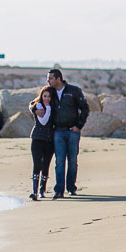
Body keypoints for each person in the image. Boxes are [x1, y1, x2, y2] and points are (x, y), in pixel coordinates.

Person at [46, 68, 88, 198]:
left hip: (72, 131)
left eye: (50, 78)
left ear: (58, 79)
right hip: (58, 131)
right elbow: (37, 102)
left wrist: (79, 126)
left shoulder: (74, 91)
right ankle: (59, 190)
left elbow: (85, 108)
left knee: (72, 161)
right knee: (59, 161)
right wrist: (33, 108)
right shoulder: (49, 92)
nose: (48, 81)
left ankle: (71, 187)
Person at [27, 87, 56, 200]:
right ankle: (34, 191)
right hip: (37, 138)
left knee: (46, 165)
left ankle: (42, 190)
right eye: (45, 96)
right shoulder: (38, 106)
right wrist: (38, 109)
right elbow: (43, 121)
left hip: (50, 140)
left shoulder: (53, 107)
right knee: (37, 164)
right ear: (41, 96)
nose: (47, 98)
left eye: (49, 96)